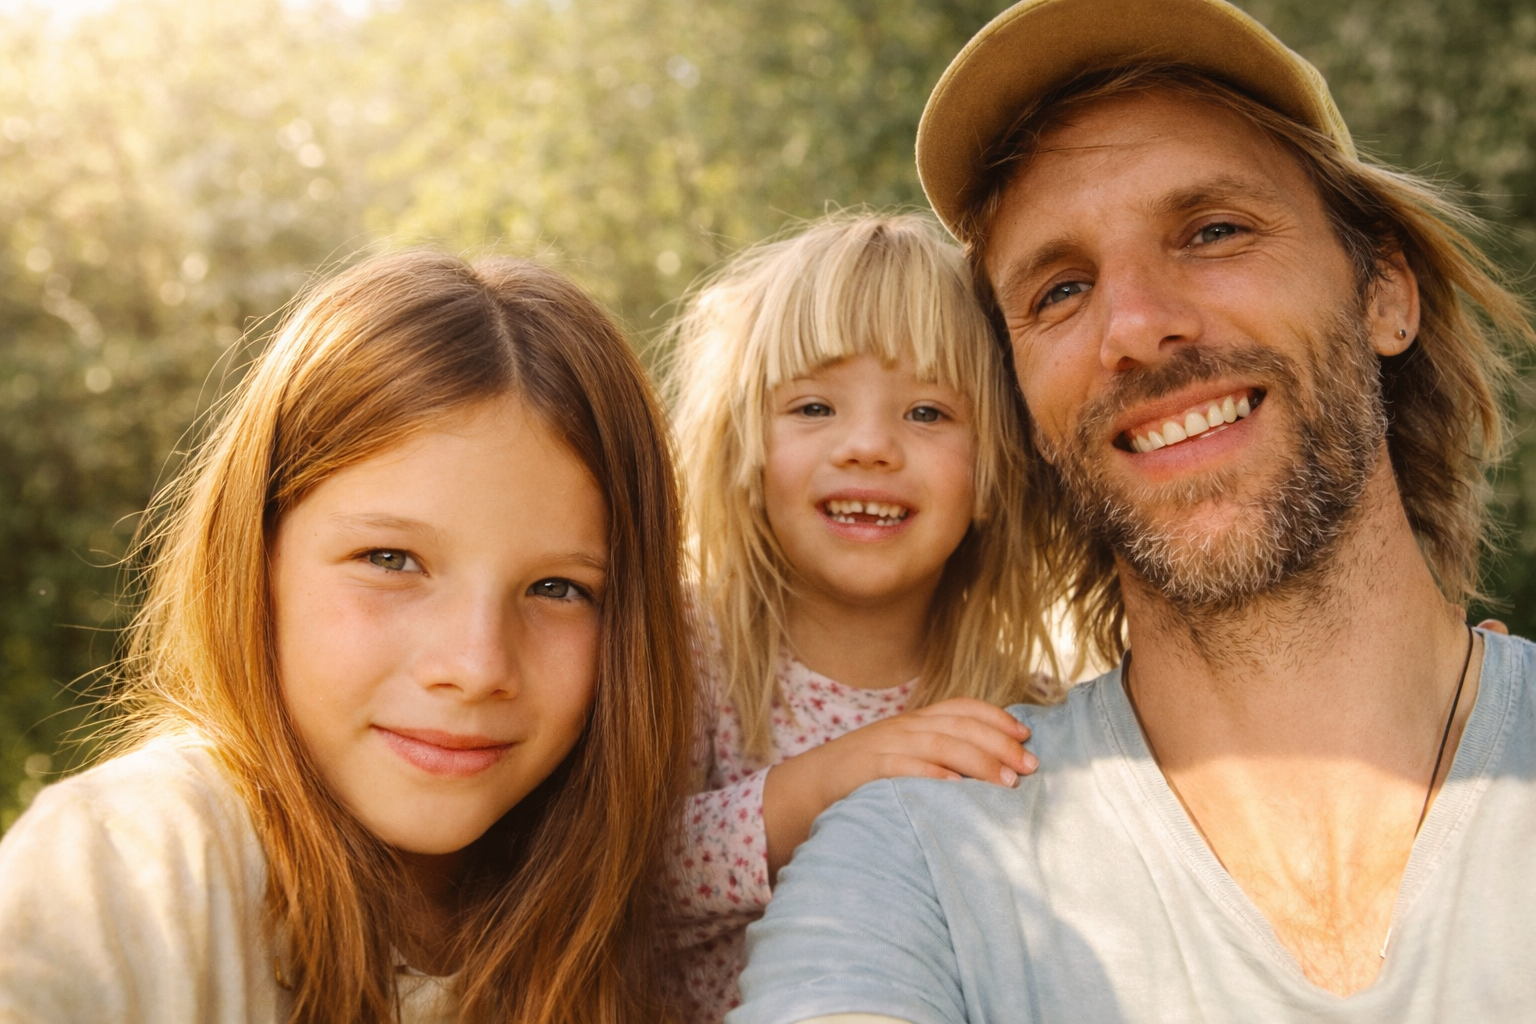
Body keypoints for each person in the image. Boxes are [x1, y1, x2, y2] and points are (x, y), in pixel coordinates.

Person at [731, 0, 1536, 1021]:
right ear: (1020, 411)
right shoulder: (916, 861)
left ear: (1384, 290)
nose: (1138, 326)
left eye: (1212, 230)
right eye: (1060, 290)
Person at [0, 251, 696, 1023]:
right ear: (255, 556)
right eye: (390, 560)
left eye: (558, 588)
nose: (475, 667)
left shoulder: (630, 920)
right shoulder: (128, 865)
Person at [661, 212, 1062, 1021]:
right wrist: (836, 778)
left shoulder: (1021, 709)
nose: (870, 446)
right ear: (742, 441)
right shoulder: (684, 651)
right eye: (814, 408)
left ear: (995, 464)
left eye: (927, 413)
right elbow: (623, 884)